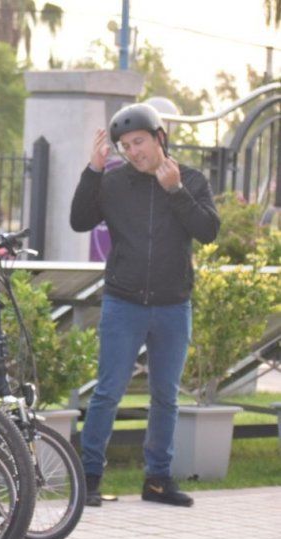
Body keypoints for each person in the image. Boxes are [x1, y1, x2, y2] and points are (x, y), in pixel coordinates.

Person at [70, 102, 220, 508]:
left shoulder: (190, 180)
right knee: (108, 392)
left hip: (174, 306)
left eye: (138, 142)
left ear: (159, 138)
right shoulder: (114, 183)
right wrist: (93, 170)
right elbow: (79, 220)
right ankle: (88, 477)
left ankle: (157, 481)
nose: (133, 152)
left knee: (165, 396)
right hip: (124, 303)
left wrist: (176, 191)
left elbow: (208, 231)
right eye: (124, 146)